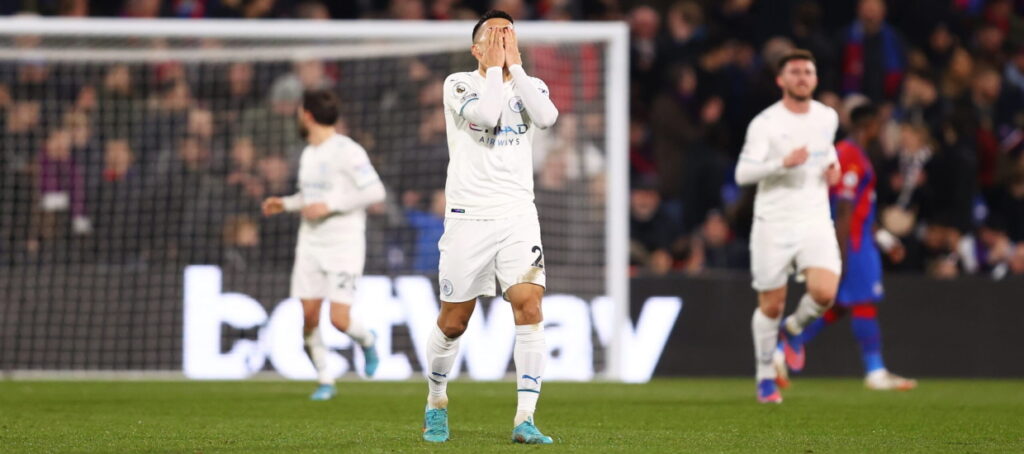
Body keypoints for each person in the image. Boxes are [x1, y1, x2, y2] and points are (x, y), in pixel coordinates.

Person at [421, 10, 558, 444]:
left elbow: (547, 117)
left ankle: (525, 418)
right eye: (494, 36)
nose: (502, 40)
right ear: (476, 49)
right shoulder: (458, 83)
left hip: (518, 215)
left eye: (509, 35)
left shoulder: (531, 86)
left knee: (529, 306)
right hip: (469, 217)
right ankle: (436, 402)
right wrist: (498, 70)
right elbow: (486, 116)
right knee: (454, 321)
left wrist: (515, 67)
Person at [778, 104, 917, 391]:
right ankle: (875, 372)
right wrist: (839, 256)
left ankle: (787, 340)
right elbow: (844, 208)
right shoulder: (850, 156)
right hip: (851, 243)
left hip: (859, 238)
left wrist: (884, 238)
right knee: (863, 301)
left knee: (840, 305)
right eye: (879, 125)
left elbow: (862, 208)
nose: (882, 132)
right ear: (869, 125)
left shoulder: (852, 153)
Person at [262, 89, 386, 401]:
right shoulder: (308, 153)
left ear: (307, 115)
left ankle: (367, 340)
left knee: (339, 319)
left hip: (344, 244)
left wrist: (330, 205)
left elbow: (375, 192)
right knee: (309, 316)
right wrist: (286, 204)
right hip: (310, 243)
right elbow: (310, 199)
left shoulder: (348, 150)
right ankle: (325, 378)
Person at [734, 49, 842, 404]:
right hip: (774, 222)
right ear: (781, 80)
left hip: (815, 218)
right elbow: (743, 173)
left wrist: (834, 169)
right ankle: (765, 376)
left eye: (808, 72)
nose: (802, 77)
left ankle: (792, 331)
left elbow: (827, 152)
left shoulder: (827, 117)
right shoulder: (765, 123)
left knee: (824, 293)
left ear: (816, 79)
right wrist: (782, 163)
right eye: (795, 72)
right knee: (771, 305)